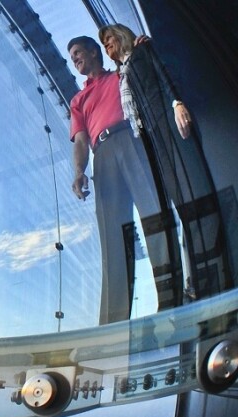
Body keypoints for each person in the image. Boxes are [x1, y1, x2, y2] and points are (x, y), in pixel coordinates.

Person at [98, 24, 232, 301]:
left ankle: (216, 276)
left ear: (122, 36)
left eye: (110, 38)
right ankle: (197, 279)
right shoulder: (121, 72)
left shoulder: (143, 50)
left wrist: (176, 103)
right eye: (104, 43)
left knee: (192, 190)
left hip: (166, 124)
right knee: (179, 202)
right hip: (151, 139)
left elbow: (164, 73)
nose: (107, 44)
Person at [67, 35, 183, 324]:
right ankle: (112, 323)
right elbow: (80, 140)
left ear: (95, 52)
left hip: (132, 141)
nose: (75, 59)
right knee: (113, 236)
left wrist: (139, 47)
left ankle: (172, 304)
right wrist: (79, 171)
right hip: (102, 155)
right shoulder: (78, 100)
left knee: (155, 216)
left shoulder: (119, 74)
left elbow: (139, 67)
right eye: (71, 57)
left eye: (79, 52)